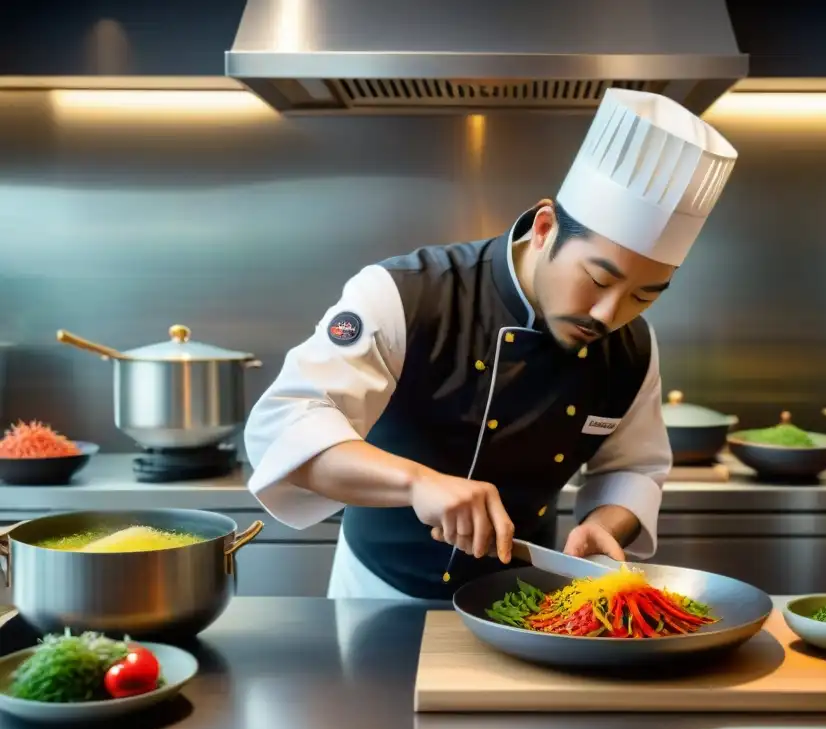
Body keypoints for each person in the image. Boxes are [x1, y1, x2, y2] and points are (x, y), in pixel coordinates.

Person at [243, 88, 738, 600]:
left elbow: (633, 466)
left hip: (526, 600)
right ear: (545, 228)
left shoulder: (631, 349)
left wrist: (607, 527)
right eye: (597, 279)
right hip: (378, 595)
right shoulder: (409, 293)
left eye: (643, 296)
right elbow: (285, 425)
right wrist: (416, 482)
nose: (608, 315)